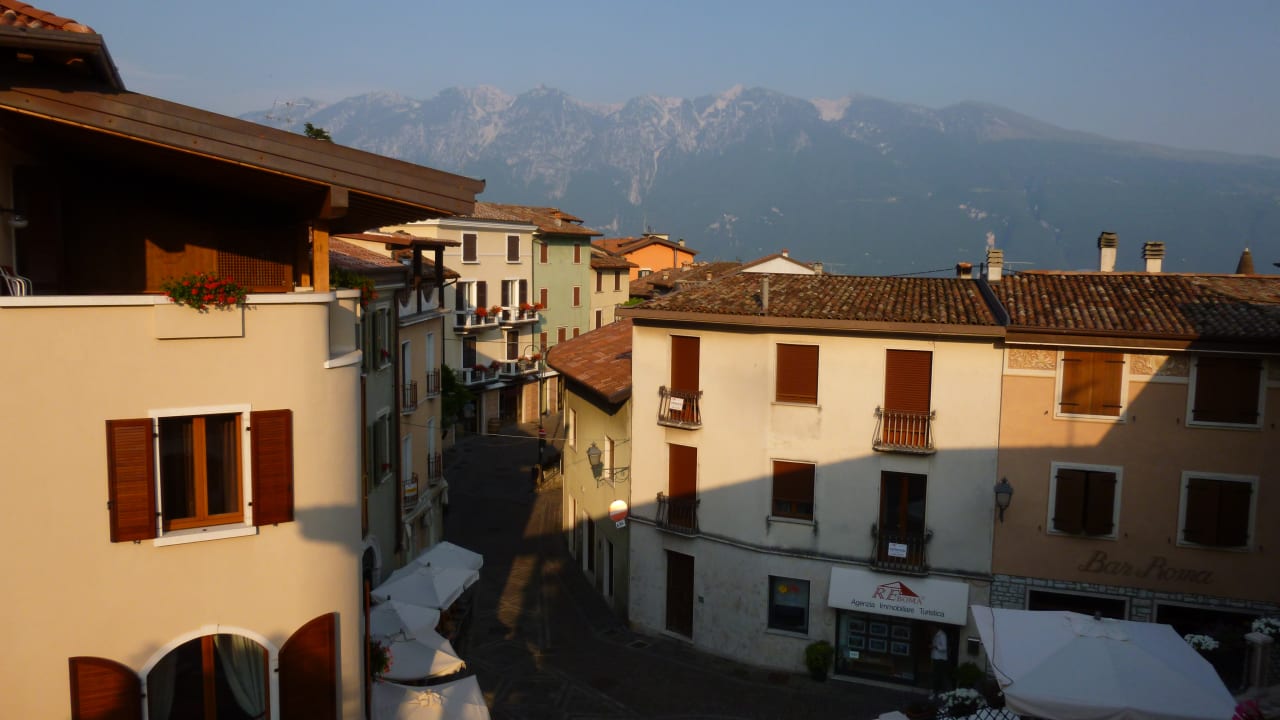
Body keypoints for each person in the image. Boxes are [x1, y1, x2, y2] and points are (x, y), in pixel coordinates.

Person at [931, 625, 951, 695]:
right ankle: (937, 691)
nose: (931, 629)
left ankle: (940, 692)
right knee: (936, 675)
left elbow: (944, 647)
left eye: (932, 627)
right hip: (936, 658)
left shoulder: (942, 635)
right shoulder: (937, 634)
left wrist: (935, 646)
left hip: (940, 659)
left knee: (939, 676)